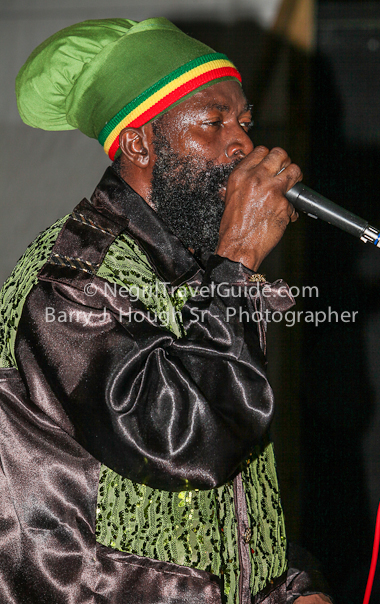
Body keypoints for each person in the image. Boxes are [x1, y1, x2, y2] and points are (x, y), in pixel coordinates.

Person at [0, 17, 332, 604]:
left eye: (245, 122)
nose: (244, 145)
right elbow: (184, 443)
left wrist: (290, 584)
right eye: (213, 123)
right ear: (139, 144)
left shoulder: (198, 267)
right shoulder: (75, 280)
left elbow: (228, 488)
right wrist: (239, 260)